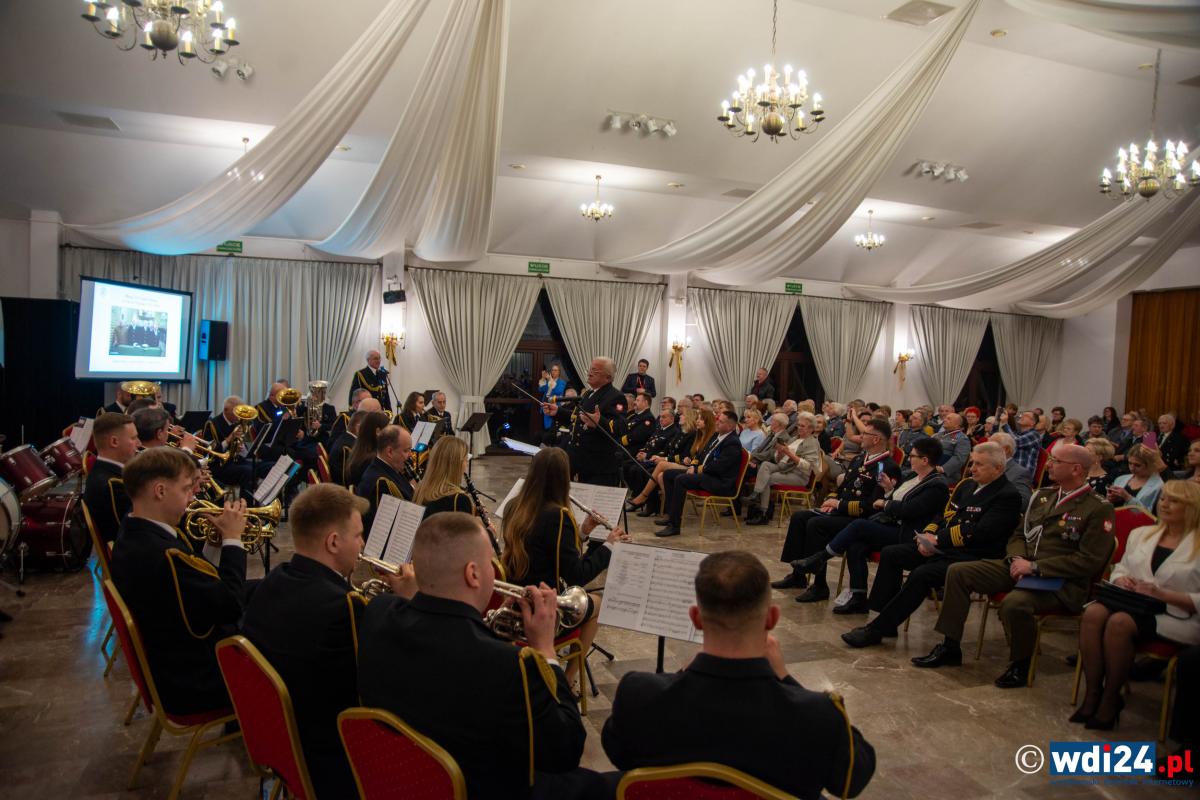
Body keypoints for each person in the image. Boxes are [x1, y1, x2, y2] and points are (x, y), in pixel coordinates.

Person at [358, 512, 602, 800]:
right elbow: (566, 750)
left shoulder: (377, 612)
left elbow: (443, 639)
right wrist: (546, 650)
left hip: (399, 780)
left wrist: (491, 632)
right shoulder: (508, 665)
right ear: (473, 574)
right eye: (489, 563)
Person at [603, 550, 875, 797]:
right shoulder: (817, 716)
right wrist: (787, 679)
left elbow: (619, 754)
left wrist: (681, 674)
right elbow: (853, 780)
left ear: (696, 618)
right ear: (772, 619)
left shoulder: (639, 695)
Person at [242, 484, 416, 798]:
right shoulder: (344, 608)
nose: (363, 544)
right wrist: (407, 606)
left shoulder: (272, 581)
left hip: (281, 741)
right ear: (333, 542)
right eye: (358, 535)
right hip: (332, 758)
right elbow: (388, 682)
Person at [913, 443, 1115, 688]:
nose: (1048, 464)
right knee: (958, 572)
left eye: (1056, 461)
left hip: (1059, 581)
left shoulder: (1097, 507)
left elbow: (1089, 560)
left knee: (1015, 603)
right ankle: (950, 646)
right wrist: (1016, 560)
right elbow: (1019, 535)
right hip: (1020, 565)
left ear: (1076, 469)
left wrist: (1036, 568)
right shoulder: (1043, 496)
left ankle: (1021, 663)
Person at [109, 447, 248, 715]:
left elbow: (201, 580)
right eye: (186, 488)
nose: (193, 495)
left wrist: (215, 541)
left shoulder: (136, 530)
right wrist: (233, 540)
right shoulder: (164, 555)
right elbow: (231, 604)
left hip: (179, 654)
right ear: (160, 491)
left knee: (269, 591)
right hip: (196, 680)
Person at [842, 443, 1021, 645]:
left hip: (973, 555)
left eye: (979, 464)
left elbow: (981, 532)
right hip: (946, 547)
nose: (972, 469)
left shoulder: (1007, 495)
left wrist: (938, 540)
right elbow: (944, 515)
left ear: (998, 468)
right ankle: (886, 619)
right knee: (892, 553)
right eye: (972, 463)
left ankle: (877, 629)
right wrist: (928, 534)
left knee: (922, 574)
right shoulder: (967, 485)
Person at [1071, 480, 1200, 729]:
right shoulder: (1142, 534)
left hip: (1178, 615)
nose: (1164, 505)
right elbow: (1121, 568)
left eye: (1174, 501)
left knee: (1119, 623)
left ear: (1192, 508)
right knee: (1094, 613)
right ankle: (1093, 692)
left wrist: (1163, 594)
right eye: (1163, 498)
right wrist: (1121, 579)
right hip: (1135, 602)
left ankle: (1111, 698)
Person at [501, 448, 628, 683]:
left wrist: (583, 532)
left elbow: (545, 549)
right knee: (599, 604)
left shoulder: (514, 506)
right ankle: (567, 679)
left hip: (516, 603)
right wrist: (609, 547)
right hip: (545, 611)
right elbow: (577, 575)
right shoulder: (558, 515)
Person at [797, 437, 951, 615]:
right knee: (856, 545)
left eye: (913, 456)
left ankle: (821, 557)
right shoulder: (912, 477)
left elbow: (910, 509)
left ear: (925, 460)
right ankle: (858, 597)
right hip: (892, 524)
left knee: (859, 525)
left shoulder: (936, 485)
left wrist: (885, 504)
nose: (909, 458)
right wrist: (889, 490)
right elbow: (898, 500)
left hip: (908, 533)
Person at [773, 418, 896, 601]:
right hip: (842, 511)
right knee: (799, 517)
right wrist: (830, 501)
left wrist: (838, 505)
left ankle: (820, 586)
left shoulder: (886, 467)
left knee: (816, 524)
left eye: (865, 434)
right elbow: (842, 489)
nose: (861, 437)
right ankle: (798, 575)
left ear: (876, 439)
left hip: (858, 519)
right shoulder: (859, 459)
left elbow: (872, 506)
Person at [655, 410, 745, 538]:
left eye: (720, 421)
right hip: (708, 475)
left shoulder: (732, 442)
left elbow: (719, 466)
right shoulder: (717, 436)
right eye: (717, 420)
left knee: (681, 479)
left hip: (720, 482)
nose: (717, 423)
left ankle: (674, 526)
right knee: (668, 474)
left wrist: (697, 470)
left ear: (730, 426)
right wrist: (693, 466)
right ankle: (671, 516)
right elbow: (701, 454)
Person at [542, 357, 628, 486]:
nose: (589, 373)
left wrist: (600, 422)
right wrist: (558, 412)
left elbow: (621, 427)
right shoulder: (589, 393)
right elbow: (578, 418)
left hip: (599, 465)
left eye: (595, 370)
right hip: (581, 460)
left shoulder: (615, 396)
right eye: (590, 369)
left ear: (608, 377)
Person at [746, 412, 821, 525]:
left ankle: (763, 513)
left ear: (811, 429)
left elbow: (808, 465)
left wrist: (788, 453)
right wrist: (780, 453)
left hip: (799, 475)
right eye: (798, 425)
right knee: (765, 464)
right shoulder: (794, 438)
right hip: (785, 468)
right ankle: (756, 495)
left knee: (767, 478)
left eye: (802, 426)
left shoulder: (812, 442)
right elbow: (779, 459)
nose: (799, 428)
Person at [83, 412, 139, 544]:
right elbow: (138, 528)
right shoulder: (113, 485)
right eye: (133, 438)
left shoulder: (104, 472)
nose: (139, 443)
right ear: (114, 442)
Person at [355, 425, 413, 533]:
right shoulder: (381, 483)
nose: (411, 455)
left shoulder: (386, 468)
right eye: (406, 451)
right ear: (389, 452)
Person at [413, 436, 476, 517]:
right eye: (465, 459)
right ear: (455, 464)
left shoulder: (420, 489)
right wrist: (479, 521)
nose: (467, 464)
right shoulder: (460, 499)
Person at [622, 408, 681, 493]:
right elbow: (649, 443)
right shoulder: (659, 429)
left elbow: (665, 451)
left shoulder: (674, 432)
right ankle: (632, 491)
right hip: (647, 457)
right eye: (660, 417)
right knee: (626, 465)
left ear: (672, 418)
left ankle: (640, 493)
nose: (661, 419)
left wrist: (647, 456)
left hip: (657, 460)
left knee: (636, 469)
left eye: (664, 417)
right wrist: (642, 452)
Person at [1108, 444, 1165, 511]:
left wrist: (1128, 498)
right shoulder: (1120, 479)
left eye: (1137, 465)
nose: (1132, 468)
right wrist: (1110, 498)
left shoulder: (1159, 485)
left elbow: (1152, 513)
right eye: (1130, 463)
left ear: (1150, 465)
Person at [345, 411, 393, 488]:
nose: (392, 435)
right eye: (389, 430)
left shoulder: (360, 451)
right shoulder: (371, 461)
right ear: (378, 432)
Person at [988, 431, 1033, 508]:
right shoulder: (984, 467)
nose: (986, 451)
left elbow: (1023, 503)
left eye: (991, 447)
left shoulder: (1020, 473)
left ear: (1006, 449)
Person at [328, 409, 367, 486]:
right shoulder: (348, 448)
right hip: (344, 488)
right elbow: (352, 479)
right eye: (369, 428)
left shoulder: (345, 438)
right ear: (358, 428)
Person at [933, 412, 971, 483]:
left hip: (947, 475)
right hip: (930, 469)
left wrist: (943, 469)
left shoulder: (962, 439)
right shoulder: (936, 435)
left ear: (957, 425)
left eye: (949, 419)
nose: (944, 420)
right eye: (945, 418)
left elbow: (959, 458)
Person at [538, 364, 568, 433]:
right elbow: (540, 389)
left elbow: (558, 391)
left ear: (559, 372)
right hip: (545, 406)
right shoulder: (548, 381)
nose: (553, 372)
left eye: (555, 370)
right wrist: (543, 379)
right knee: (545, 428)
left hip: (554, 407)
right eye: (552, 370)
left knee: (552, 428)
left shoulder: (562, 382)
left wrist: (550, 380)